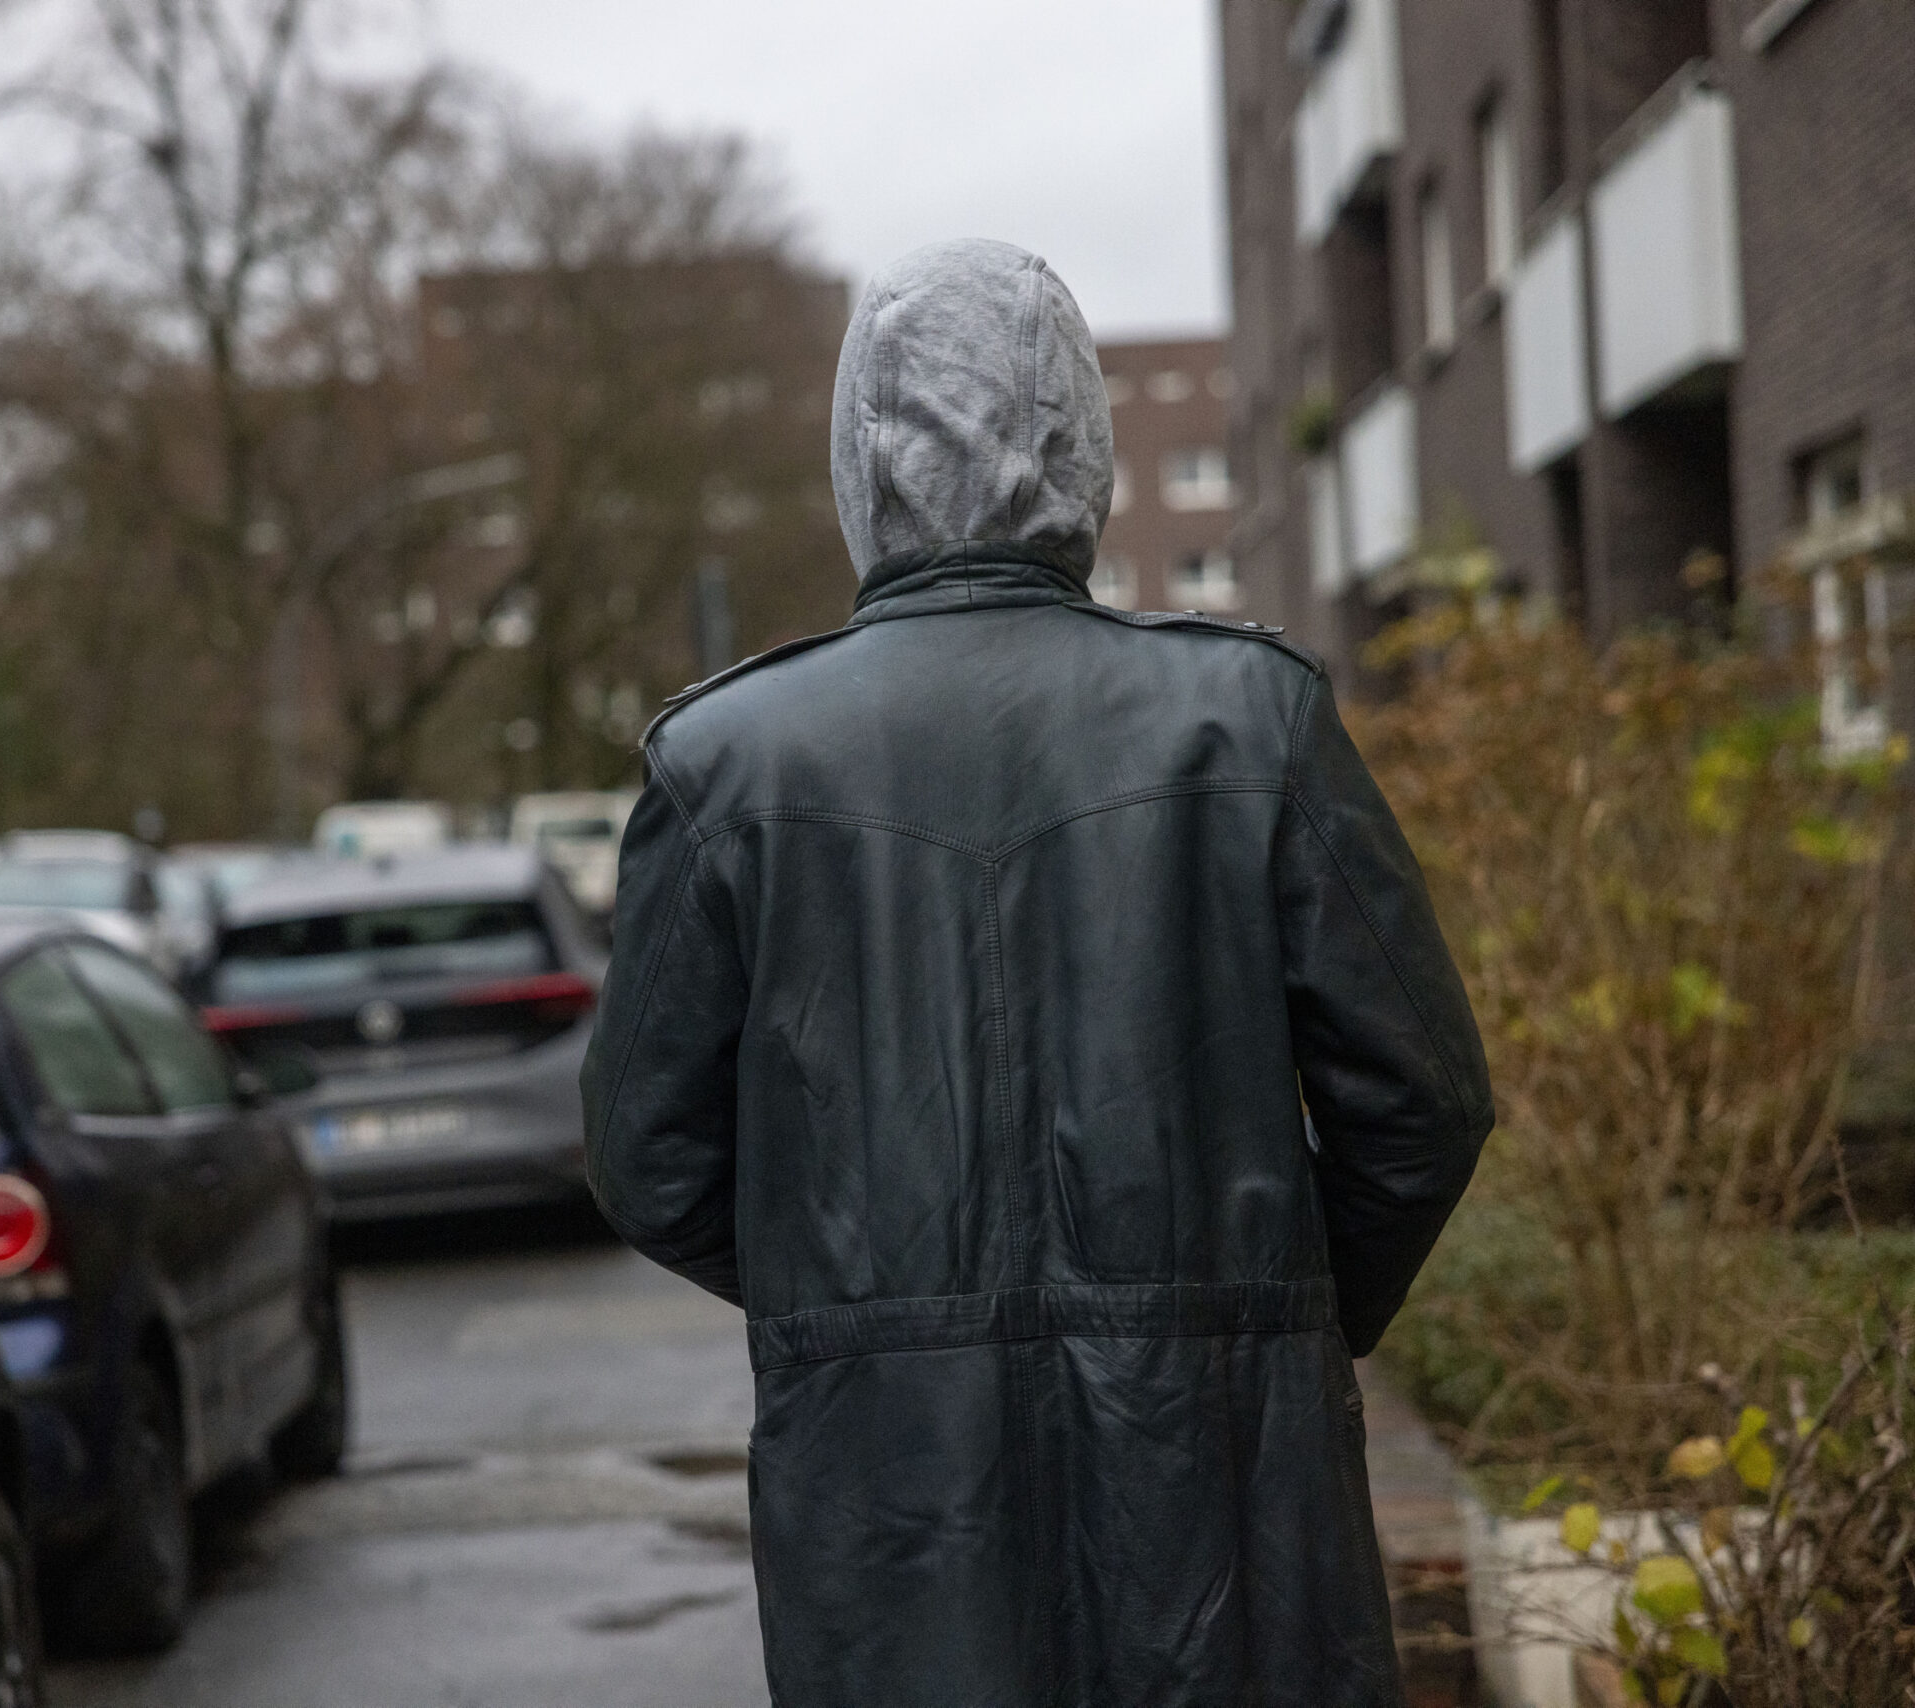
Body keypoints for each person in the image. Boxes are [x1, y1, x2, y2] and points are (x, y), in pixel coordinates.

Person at [580, 239, 1492, 1707]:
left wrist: (859, 1298)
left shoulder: (730, 764)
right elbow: (1426, 1104)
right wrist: (1263, 1309)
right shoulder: (1247, 721)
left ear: (857, 461)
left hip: (889, 1507)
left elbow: (645, 1161)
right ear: (1085, 445)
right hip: (1224, 1494)